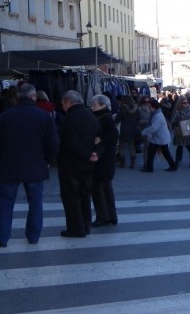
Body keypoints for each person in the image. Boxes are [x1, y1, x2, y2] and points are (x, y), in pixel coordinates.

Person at [0, 83, 59, 247]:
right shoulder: (44, 116)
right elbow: (54, 143)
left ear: (17, 97)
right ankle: (33, 237)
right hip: (36, 166)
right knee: (35, 202)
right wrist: (47, 160)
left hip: (10, 166)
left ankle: (2, 238)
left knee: (5, 201)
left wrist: (1, 153)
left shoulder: (6, 116)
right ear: (33, 97)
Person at [57, 90, 100, 238]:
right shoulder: (91, 116)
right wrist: (94, 153)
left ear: (67, 102)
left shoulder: (70, 118)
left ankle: (76, 228)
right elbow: (98, 138)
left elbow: (70, 143)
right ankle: (86, 225)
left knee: (71, 196)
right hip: (88, 164)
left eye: (63, 103)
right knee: (84, 194)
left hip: (71, 164)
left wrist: (87, 153)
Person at [90, 94, 119, 227]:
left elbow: (113, 135)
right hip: (106, 158)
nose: (92, 107)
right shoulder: (104, 117)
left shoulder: (105, 118)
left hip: (103, 158)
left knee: (98, 188)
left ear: (102, 105)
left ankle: (103, 216)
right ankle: (111, 215)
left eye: (94, 105)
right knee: (106, 188)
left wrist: (100, 139)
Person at [140, 98, 178, 172]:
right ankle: (172, 166)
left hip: (160, 138)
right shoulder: (156, 113)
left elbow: (153, 127)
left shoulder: (157, 116)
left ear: (153, 107)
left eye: (149, 107)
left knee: (156, 153)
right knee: (159, 153)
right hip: (159, 138)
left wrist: (143, 132)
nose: (148, 108)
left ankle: (150, 168)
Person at [170, 95, 190, 169]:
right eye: (184, 102)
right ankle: (176, 163)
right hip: (181, 132)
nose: (186, 104)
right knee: (180, 148)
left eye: (186, 102)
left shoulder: (189, 110)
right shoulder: (177, 111)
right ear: (180, 103)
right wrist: (178, 123)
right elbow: (172, 121)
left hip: (189, 131)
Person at [115, 95, 138, 168]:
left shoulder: (122, 108)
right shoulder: (135, 107)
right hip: (133, 129)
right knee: (131, 146)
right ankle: (133, 163)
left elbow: (117, 120)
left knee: (121, 146)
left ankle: (123, 163)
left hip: (124, 129)